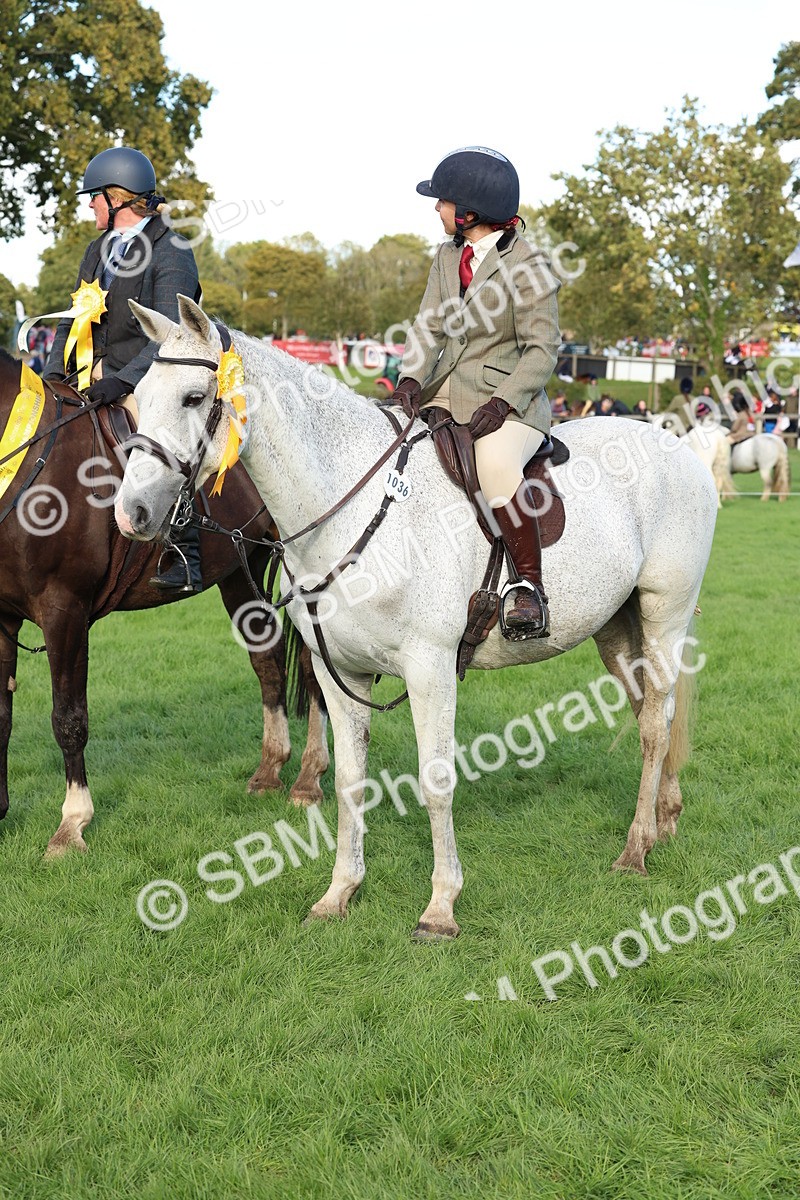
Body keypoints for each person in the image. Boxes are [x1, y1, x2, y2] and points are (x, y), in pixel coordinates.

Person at [396, 146, 560, 639]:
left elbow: (541, 350)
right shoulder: (447, 256)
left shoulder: (529, 265)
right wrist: (410, 379)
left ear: (469, 212)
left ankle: (528, 587)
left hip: (510, 405)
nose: (437, 208)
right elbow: (429, 327)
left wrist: (504, 400)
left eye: (443, 201)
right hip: (443, 391)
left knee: (494, 466)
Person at [44, 146, 203, 594]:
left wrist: (122, 381)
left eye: (94, 196)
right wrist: (53, 375)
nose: (90, 205)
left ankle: (184, 551)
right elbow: (71, 320)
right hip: (88, 377)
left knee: (162, 438)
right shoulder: (97, 251)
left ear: (117, 199)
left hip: (150, 380)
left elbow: (170, 334)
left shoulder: (171, 249)